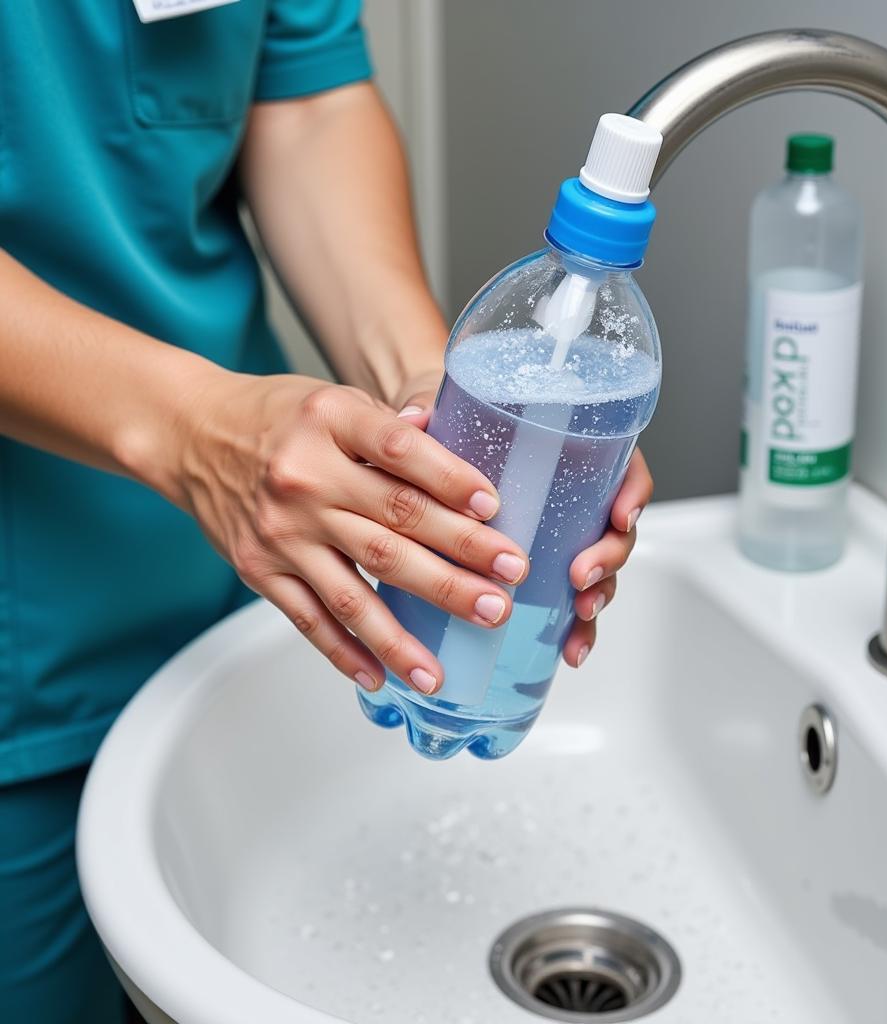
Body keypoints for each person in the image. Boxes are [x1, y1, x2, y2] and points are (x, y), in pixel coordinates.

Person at [0, 2, 654, 1021]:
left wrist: (434, 409)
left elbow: (303, 101)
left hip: (247, 589)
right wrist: (195, 430)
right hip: (26, 653)